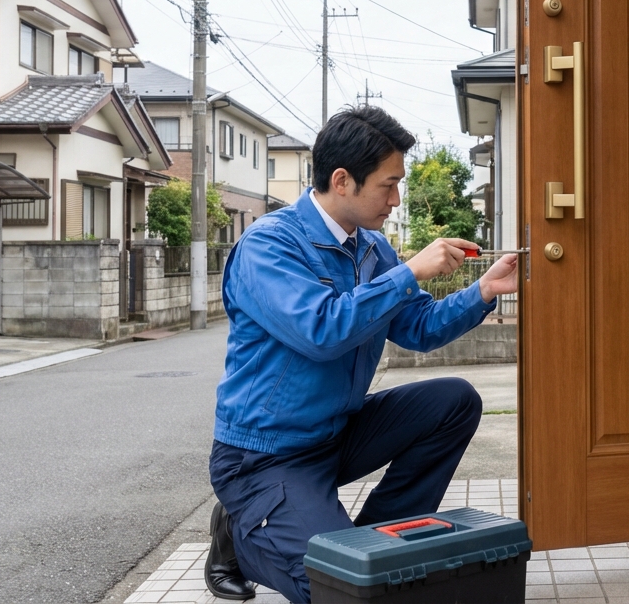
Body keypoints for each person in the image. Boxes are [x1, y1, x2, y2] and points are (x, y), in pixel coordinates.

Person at [203, 106, 519, 603]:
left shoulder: (372, 249)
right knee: (334, 590)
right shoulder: (269, 245)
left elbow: (417, 327)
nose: (395, 200)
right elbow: (321, 331)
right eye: (387, 186)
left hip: (336, 434)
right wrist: (409, 273)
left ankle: (366, 547)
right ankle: (243, 532)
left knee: (453, 401)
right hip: (265, 454)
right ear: (343, 180)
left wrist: (482, 291)